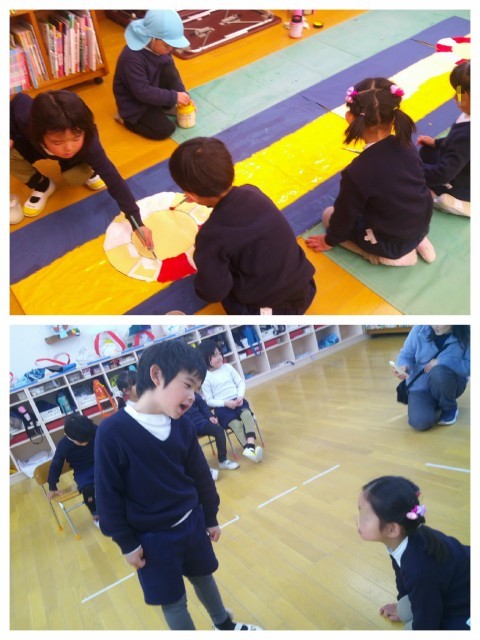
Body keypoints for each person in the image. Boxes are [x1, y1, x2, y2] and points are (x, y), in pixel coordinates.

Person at [94, 340, 262, 630]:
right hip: (151, 539)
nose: (192, 397)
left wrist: (210, 516)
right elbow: (108, 495)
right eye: (188, 385)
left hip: (192, 523)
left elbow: (200, 476)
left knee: (204, 577)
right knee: (173, 601)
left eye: (196, 390)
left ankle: (223, 625)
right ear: (157, 375)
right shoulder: (112, 432)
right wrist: (127, 543)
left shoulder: (182, 424)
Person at [169, 136, 316, 314]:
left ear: (191, 196)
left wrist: (203, 262)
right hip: (306, 284)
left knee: (228, 293)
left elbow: (212, 293)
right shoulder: (252, 191)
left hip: (273, 310)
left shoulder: (212, 234)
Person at [305, 77, 435, 266]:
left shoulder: (357, 172)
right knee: (395, 206)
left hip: (391, 241)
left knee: (328, 214)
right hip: (420, 224)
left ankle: (390, 256)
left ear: (350, 118)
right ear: (394, 117)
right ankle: (418, 241)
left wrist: (330, 240)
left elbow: (344, 215)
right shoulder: (407, 145)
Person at [9, 90, 154, 250]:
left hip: (79, 156)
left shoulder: (89, 143)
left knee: (76, 176)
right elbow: (18, 100)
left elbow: (113, 179)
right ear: (39, 133)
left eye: (76, 138)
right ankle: (42, 185)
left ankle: (89, 168)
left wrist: (136, 221)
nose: (68, 147)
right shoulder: (27, 119)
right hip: (36, 147)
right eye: (57, 142)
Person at [357, 475, 470, 630]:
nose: (358, 519)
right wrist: (403, 604)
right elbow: (401, 573)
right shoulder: (403, 540)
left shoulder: (419, 569)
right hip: (447, 589)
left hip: (466, 603)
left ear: (392, 529)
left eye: (366, 516)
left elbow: (428, 619)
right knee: (406, 609)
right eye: (359, 511)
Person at [113, 10, 194, 140]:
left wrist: (182, 93)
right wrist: (173, 96)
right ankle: (125, 120)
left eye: (172, 47)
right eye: (167, 46)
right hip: (136, 103)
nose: (170, 50)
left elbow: (172, 75)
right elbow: (142, 92)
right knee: (165, 130)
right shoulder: (131, 58)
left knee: (168, 69)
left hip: (153, 90)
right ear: (151, 38)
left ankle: (161, 106)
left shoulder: (161, 50)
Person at [418, 61, 470, 217]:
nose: (455, 97)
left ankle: (457, 200)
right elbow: (455, 141)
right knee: (426, 151)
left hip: (462, 181)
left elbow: (444, 174)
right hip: (463, 163)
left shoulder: (468, 134)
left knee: (417, 182)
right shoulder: (470, 114)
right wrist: (436, 143)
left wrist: (412, 170)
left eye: (459, 93)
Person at [392, 325, 470, 431]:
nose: (435, 325)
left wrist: (442, 361)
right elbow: (405, 355)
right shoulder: (419, 328)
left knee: (438, 371)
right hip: (421, 386)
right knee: (419, 423)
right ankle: (437, 401)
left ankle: (449, 407)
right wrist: (403, 366)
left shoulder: (468, 332)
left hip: (451, 381)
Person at [197, 339, 262, 463]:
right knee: (236, 425)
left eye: (219, 353)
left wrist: (240, 396)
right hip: (223, 409)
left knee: (247, 415)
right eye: (214, 356)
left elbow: (240, 383)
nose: (219, 357)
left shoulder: (228, 367)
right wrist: (225, 403)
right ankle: (249, 449)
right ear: (205, 359)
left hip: (238, 402)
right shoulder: (206, 377)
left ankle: (250, 446)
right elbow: (209, 401)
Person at [47, 414, 98, 526]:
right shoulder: (63, 445)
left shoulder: (92, 429)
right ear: (68, 436)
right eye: (81, 442)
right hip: (83, 471)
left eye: (88, 440)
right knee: (88, 489)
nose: (86, 443)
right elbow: (56, 465)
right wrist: (52, 486)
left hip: (101, 461)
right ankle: (96, 515)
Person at [185, 392, 240, 478]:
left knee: (219, 431)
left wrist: (210, 416)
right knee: (191, 444)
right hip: (186, 426)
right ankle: (204, 470)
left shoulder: (192, 393)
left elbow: (203, 407)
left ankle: (223, 460)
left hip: (201, 422)